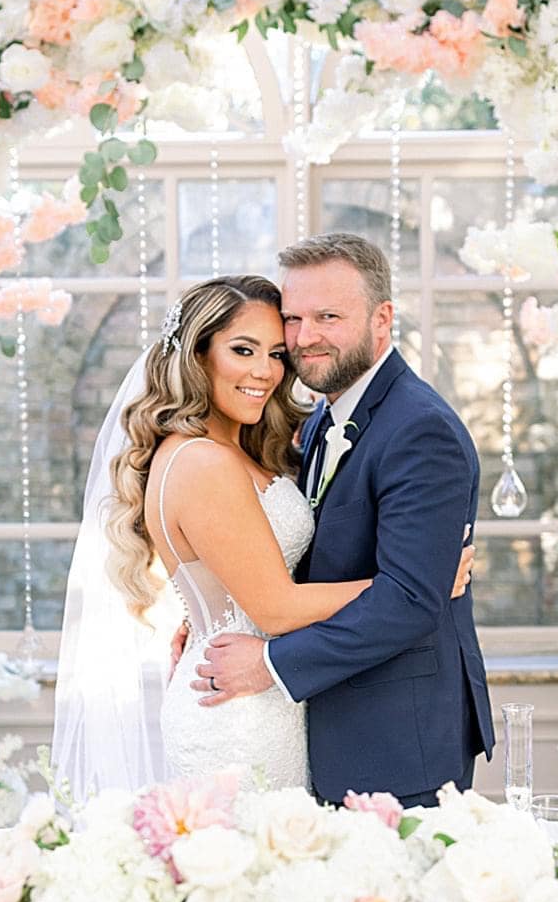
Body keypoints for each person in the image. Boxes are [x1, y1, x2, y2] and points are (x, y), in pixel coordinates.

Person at [52, 268, 474, 799]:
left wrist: (208, 610)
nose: (266, 372)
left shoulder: (243, 449)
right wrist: (418, 582)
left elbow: (243, 570)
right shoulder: (202, 461)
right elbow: (275, 607)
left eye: (276, 353)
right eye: (243, 351)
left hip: (264, 693)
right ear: (197, 355)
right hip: (237, 711)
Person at [193, 234, 494, 807]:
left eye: (328, 316)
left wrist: (270, 662)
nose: (305, 338)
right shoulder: (315, 421)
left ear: (383, 320)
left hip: (396, 742)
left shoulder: (421, 431)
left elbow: (409, 600)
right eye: (294, 318)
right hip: (320, 729)